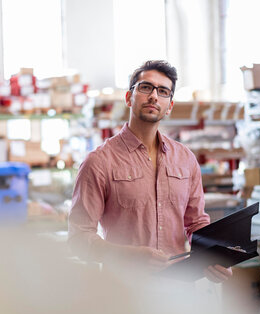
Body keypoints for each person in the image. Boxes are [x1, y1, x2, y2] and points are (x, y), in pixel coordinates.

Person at [68, 60, 232, 283]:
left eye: (163, 91)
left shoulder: (185, 159)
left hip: (176, 293)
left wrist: (213, 257)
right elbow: (79, 238)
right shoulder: (99, 162)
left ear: (170, 105)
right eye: (146, 87)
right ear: (129, 97)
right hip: (122, 296)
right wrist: (128, 256)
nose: (154, 96)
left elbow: (196, 223)